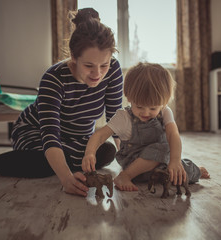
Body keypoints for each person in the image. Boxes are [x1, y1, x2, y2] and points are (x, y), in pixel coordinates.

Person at [0, 8, 123, 197]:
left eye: (104, 65)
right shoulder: (53, 78)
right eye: (89, 65)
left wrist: (129, 160)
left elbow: (116, 117)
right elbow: (50, 136)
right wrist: (66, 178)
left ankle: (61, 160)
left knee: (107, 151)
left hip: (76, 139)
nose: (98, 73)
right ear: (74, 57)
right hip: (35, 132)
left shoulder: (114, 69)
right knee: (44, 162)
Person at [82, 62, 210, 191]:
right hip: (133, 167)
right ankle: (124, 176)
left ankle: (196, 169)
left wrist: (175, 161)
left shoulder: (165, 111)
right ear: (128, 96)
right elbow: (99, 135)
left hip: (159, 165)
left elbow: (173, 134)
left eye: (153, 108)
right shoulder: (124, 117)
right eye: (139, 106)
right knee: (163, 148)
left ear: (164, 102)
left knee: (182, 172)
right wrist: (90, 153)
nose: (146, 112)